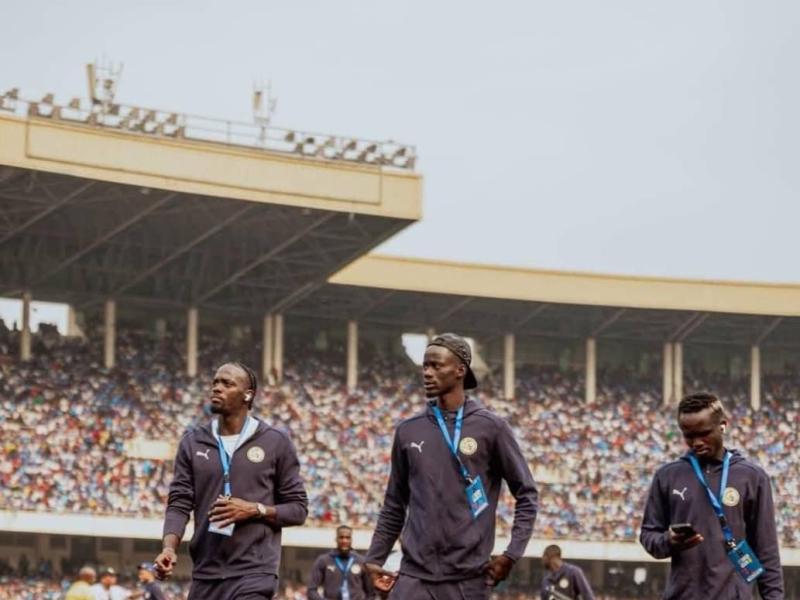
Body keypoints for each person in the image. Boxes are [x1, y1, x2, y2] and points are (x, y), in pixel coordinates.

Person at [364, 333, 538, 599]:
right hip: (413, 576)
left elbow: (527, 494)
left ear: (460, 371)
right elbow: (394, 503)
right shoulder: (408, 430)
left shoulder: (491, 428)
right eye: (425, 366)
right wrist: (375, 558)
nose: (427, 373)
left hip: (468, 580)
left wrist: (511, 554)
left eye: (436, 365)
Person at [154, 362, 308, 600]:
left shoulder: (275, 442)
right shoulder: (193, 442)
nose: (217, 388)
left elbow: (298, 510)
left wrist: (255, 509)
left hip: (254, 572)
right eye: (215, 382)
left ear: (248, 395)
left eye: (227, 383)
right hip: (206, 573)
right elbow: (179, 503)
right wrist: (168, 548)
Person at [640, 392, 784, 599]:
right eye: (688, 436)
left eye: (704, 433)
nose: (696, 442)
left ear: (723, 426)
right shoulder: (667, 476)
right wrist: (668, 541)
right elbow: (648, 535)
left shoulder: (752, 477)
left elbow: (767, 551)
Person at [308, 525, 373, 600]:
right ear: (336, 539)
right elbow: (311, 590)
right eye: (341, 537)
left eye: (347, 538)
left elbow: (371, 593)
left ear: (351, 539)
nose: (344, 541)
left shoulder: (361, 561)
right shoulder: (323, 561)